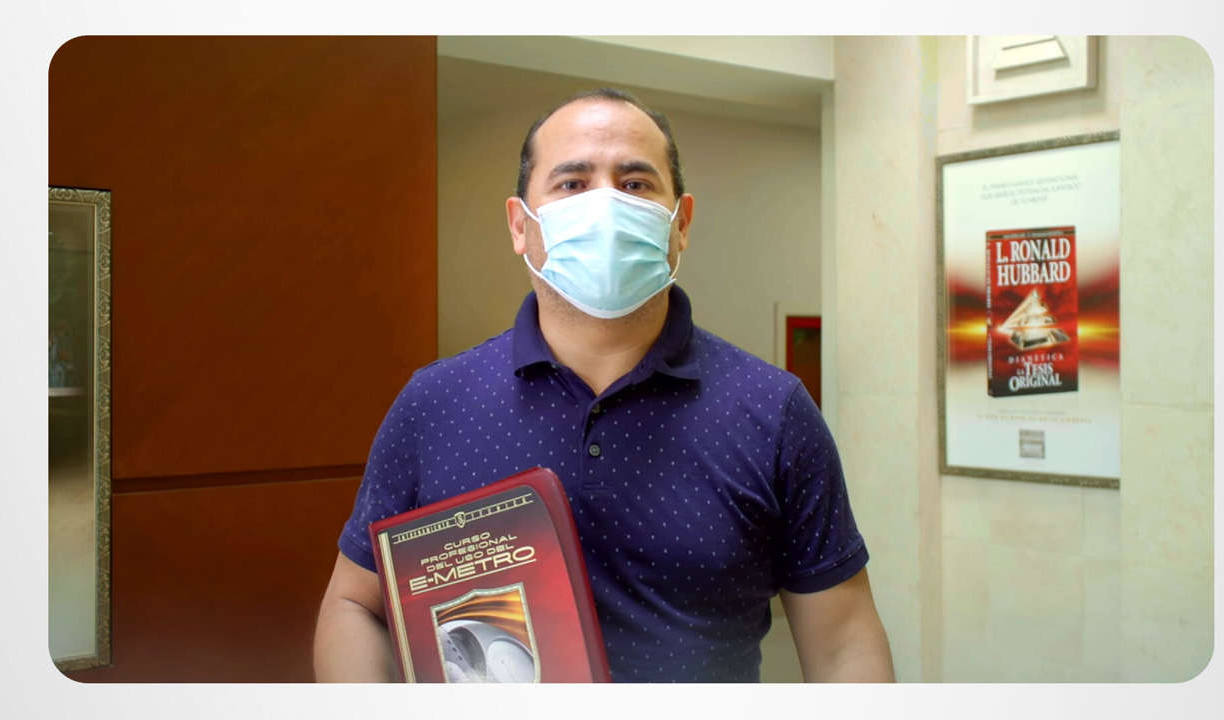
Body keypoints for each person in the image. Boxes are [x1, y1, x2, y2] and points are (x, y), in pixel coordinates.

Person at [313, 88, 895, 683]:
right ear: (520, 225)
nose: (606, 206)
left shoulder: (774, 412)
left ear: (681, 223)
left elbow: (843, 642)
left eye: (635, 183)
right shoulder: (434, 404)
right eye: (572, 183)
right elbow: (355, 604)